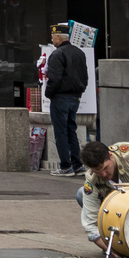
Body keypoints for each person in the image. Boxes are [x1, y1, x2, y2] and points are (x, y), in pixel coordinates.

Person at [43, 24, 89, 178]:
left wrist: (48, 94)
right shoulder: (79, 53)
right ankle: (78, 166)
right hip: (75, 97)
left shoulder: (57, 54)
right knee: (71, 130)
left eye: (52, 37)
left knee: (60, 132)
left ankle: (65, 166)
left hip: (60, 97)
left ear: (58, 37)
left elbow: (54, 79)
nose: (52, 39)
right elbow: (85, 77)